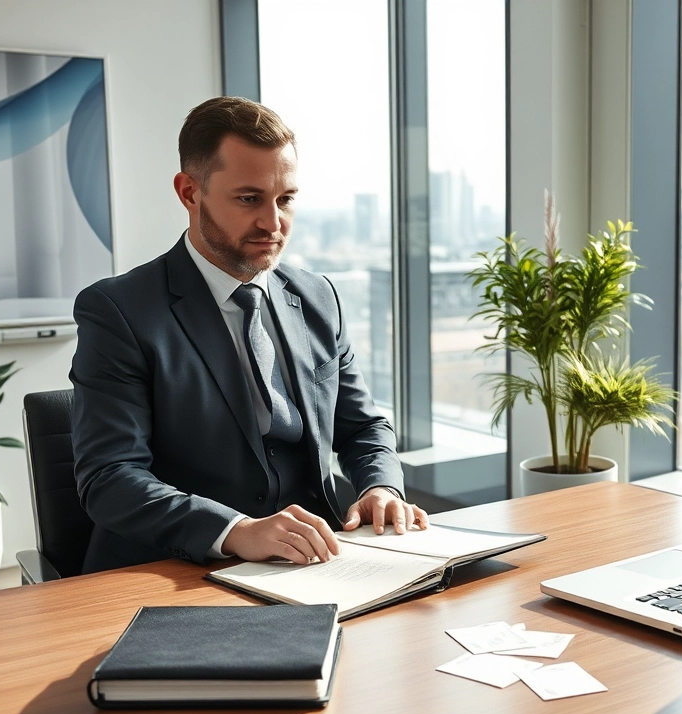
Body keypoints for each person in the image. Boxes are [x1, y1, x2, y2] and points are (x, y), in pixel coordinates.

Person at [70, 96, 427, 574]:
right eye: (249, 199)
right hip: (179, 570)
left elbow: (362, 427)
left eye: (285, 199)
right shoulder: (118, 311)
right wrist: (237, 531)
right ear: (189, 192)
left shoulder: (318, 297)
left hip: (316, 560)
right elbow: (110, 477)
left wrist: (380, 487)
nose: (273, 223)